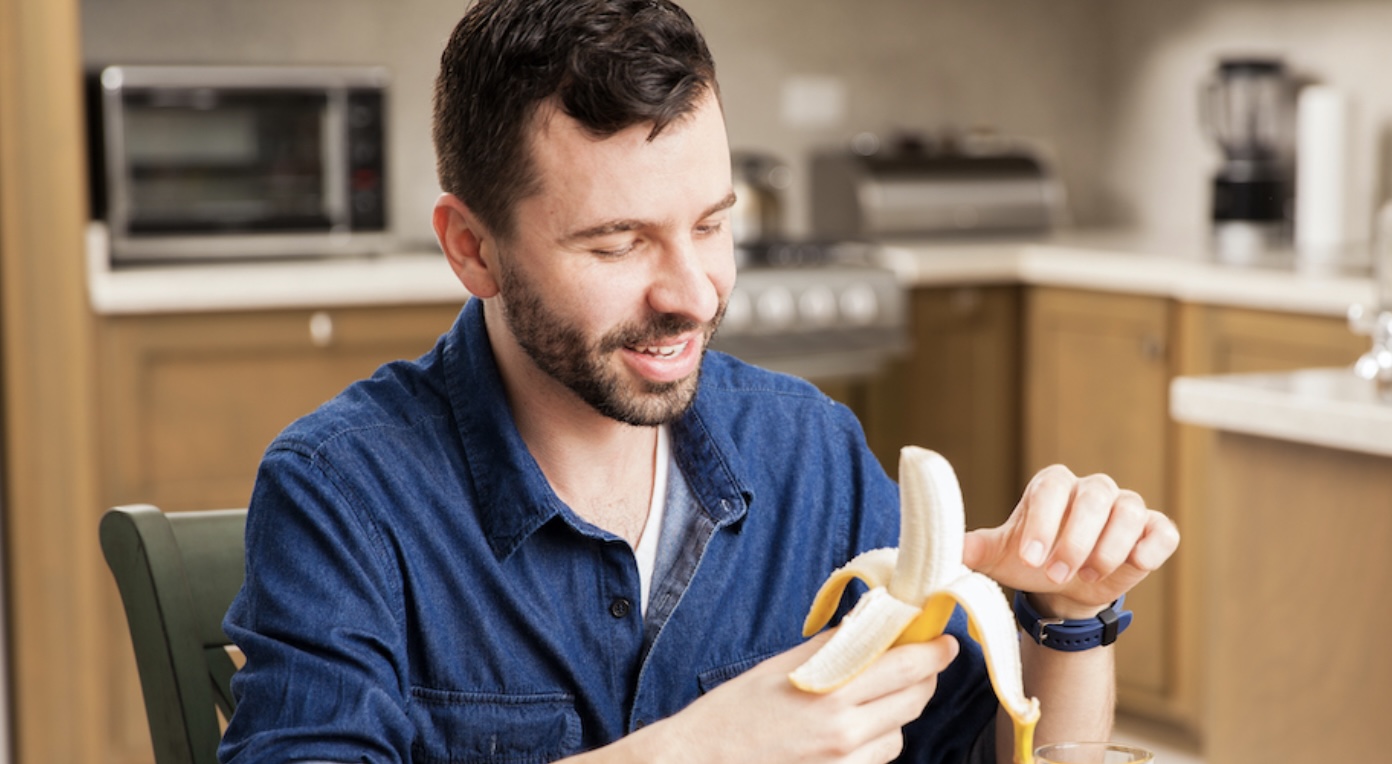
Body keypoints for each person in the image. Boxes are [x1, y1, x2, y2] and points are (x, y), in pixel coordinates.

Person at [218, 0, 1180, 762]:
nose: (692, 294)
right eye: (618, 241)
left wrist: (1070, 612)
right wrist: (697, 750)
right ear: (473, 249)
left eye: (713, 225)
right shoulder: (340, 493)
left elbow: (982, 750)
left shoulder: (811, 452)